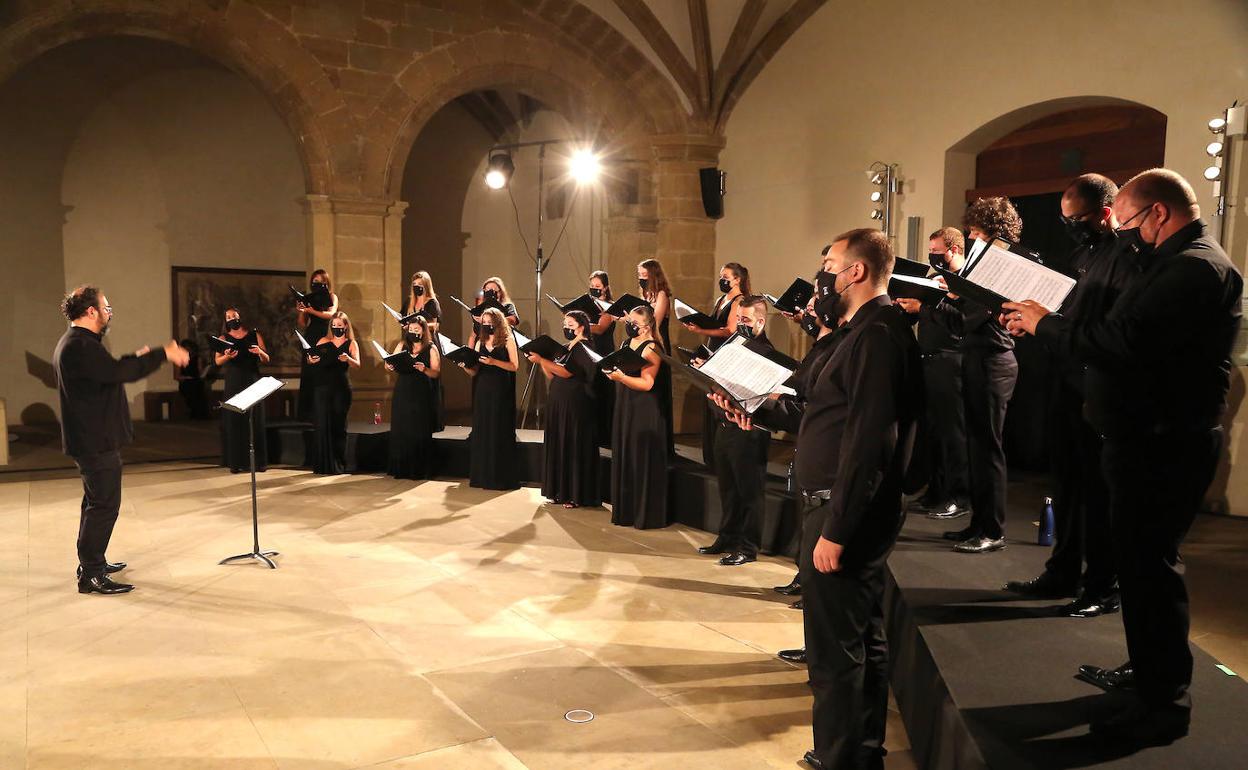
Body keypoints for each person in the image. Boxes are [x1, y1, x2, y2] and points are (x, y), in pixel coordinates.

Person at [1003, 168, 1242, 743]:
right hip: (1147, 435)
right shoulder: (1171, 261)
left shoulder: (1193, 267)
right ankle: (1150, 676)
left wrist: (1046, 325)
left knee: (1150, 570)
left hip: (1164, 441)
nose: (1125, 232)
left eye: (1131, 221)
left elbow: (1121, 343)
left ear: (1158, 212)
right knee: (1139, 569)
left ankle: (1164, 704)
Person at [793, 229, 922, 770]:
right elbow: (832, 412)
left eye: (830, 263)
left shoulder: (878, 335)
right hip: (837, 504)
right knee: (859, 637)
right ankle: (857, 750)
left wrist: (837, 529)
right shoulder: (862, 330)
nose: (824, 273)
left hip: (845, 510)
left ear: (856, 272)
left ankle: (842, 757)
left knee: (836, 652)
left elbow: (871, 440)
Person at [1004, 174, 1130, 618]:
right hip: (1066, 382)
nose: (1070, 226)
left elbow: (1106, 332)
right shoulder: (1083, 253)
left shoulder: (1128, 257)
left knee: (1097, 495)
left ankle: (1101, 584)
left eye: (1077, 218)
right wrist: (1034, 322)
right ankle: (1061, 571)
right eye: (1064, 219)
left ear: (1106, 212)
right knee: (1067, 486)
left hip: (1099, 388)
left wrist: (1051, 322)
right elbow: (1069, 319)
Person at [901, 197, 1021, 553]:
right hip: (975, 358)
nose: (971, 237)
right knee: (975, 445)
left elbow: (964, 320)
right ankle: (977, 523)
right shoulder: (981, 268)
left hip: (992, 362)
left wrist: (932, 304)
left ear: (994, 232)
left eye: (976, 231)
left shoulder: (1001, 268)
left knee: (987, 449)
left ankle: (992, 529)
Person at [53, 285, 190, 595]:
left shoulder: (79, 342)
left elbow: (109, 373)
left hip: (92, 438)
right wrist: (162, 354)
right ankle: (91, 573)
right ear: (91, 312)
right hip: (94, 441)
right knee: (104, 505)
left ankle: (92, 562)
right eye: (106, 307)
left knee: (95, 503)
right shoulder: (79, 345)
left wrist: (136, 359)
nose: (109, 312)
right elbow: (118, 372)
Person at [895, 229, 971, 521]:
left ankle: (958, 495)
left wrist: (924, 306)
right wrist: (904, 304)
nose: (932, 255)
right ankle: (936, 490)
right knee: (932, 433)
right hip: (927, 360)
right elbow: (919, 313)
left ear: (952, 249)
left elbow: (960, 321)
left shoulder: (965, 282)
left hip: (951, 361)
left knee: (953, 434)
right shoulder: (932, 279)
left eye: (936, 250)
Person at [696, 294, 773, 566]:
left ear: (760, 322)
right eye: (738, 318)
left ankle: (748, 546)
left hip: (748, 430)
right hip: (725, 425)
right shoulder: (733, 346)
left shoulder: (766, 353)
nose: (740, 323)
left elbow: (761, 398)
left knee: (749, 491)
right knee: (728, 488)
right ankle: (727, 537)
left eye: (746, 319)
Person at [528, 310, 600, 508]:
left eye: (570, 324)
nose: (566, 328)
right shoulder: (567, 347)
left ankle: (575, 494)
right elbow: (553, 375)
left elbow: (568, 373)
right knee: (560, 444)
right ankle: (560, 491)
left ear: (581, 327)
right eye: (565, 324)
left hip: (575, 403)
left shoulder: (584, 347)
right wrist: (543, 359)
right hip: (560, 401)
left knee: (572, 444)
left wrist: (542, 361)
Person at [607, 305, 670, 529]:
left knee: (640, 457)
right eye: (628, 321)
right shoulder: (626, 344)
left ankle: (645, 514)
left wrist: (621, 378)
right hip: (626, 405)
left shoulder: (652, 348)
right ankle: (626, 511)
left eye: (634, 323)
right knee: (626, 454)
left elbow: (647, 383)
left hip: (644, 409)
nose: (629, 325)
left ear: (646, 327)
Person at [684, 262, 750, 466]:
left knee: (720, 398)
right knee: (710, 396)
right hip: (713, 350)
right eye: (721, 276)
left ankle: (722, 455)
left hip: (725, 352)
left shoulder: (740, 300)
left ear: (737, 279)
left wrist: (700, 331)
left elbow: (730, 330)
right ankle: (711, 453)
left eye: (726, 276)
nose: (722, 280)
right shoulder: (723, 298)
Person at [461, 306, 520, 490]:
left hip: (500, 389)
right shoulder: (480, 341)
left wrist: (494, 362)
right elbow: (474, 372)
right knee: (484, 429)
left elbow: (514, 366)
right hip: (483, 390)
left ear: (498, 323)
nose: (486, 325)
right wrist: (464, 365)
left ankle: (500, 477)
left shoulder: (508, 340)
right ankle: (482, 475)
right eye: (484, 323)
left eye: (490, 322)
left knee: (498, 428)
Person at [215, 307, 270, 474]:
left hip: (252, 379)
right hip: (234, 381)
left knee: (255, 419)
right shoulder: (223, 338)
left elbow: (266, 358)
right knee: (235, 420)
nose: (232, 318)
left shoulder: (254, 334)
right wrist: (227, 356)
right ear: (225, 321)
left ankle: (259, 462)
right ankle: (236, 462)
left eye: (234, 315)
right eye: (228, 317)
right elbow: (217, 361)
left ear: (240, 316)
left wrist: (260, 352)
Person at [386, 316, 440, 480]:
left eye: (417, 330)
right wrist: (389, 365)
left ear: (423, 330)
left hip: (421, 391)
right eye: (411, 330)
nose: (414, 332)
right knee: (402, 427)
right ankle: (401, 467)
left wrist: (424, 369)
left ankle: (419, 468)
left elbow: (436, 373)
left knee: (418, 428)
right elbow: (389, 362)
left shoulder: (431, 348)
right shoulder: (402, 345)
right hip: (403, 390)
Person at [307, 311, 360, 474]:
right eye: (334, 325)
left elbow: (357, 364)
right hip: (322, 388)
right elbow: (312, 358)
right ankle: (323, 464)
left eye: (339, 325)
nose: (336, 328)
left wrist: (348, 359)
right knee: (323, 424)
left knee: (339, 425)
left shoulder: (351, 343)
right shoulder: (324, 341)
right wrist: (311, 360)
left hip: (341, 388)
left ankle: (339, 463)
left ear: (345, 326)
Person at [406, 270, 446, 433]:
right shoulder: (410, 302)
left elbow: (435, 325)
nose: (417, 288)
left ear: (426, 286)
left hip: (427, 341)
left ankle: (432, 419)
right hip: (412, 342)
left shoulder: (432, 302)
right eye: (414, 285)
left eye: (420, 285)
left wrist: (419, 324)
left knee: (429, 377)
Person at [296, 269, 338, 422]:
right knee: (309, 371)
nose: (317, 285)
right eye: (315, 282)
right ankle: (308, 414)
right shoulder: (310, 299)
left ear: (327, 283)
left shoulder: (332, 297)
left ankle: (324, 412)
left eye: (321, 282)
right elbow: (302, 323)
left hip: (326, 334)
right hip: (311, 334)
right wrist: (302, 310)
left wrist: (310, 310)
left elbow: (331, 314)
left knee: (324, 372)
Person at [587, 270, 617, 447]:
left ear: (605, 287)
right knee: (591, 392)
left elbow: (600, 328)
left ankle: (605, 437)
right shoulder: (588, 305)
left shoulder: (609, 306)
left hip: (604, 353)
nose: (594, 289)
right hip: (590, 352)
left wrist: (581, 322)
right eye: (592, 286)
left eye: (597, 286)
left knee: (603, 393)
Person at [175, 338, 210, 420]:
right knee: (191, 387)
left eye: (189, 349)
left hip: (196, 380)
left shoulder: (198, 359)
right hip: (185, 382)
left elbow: (200, 373)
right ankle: (196, 412)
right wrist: (186, 377)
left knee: (197, 386)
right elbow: (177, 376)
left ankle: (198, 413)